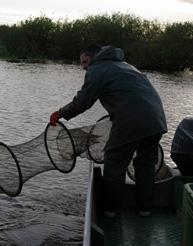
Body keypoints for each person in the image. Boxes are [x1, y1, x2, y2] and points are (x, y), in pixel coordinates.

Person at [50, 44, 167, 217]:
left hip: (131, 122)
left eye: (85, 61)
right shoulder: (126, 66)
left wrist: (60, 113)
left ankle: (110, 211)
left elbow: (83, 102)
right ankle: (145, 210)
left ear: (94, 57)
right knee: (146, 164)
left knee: (114, 162)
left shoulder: (97, 69)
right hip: (156, 121)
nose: (83, 66)